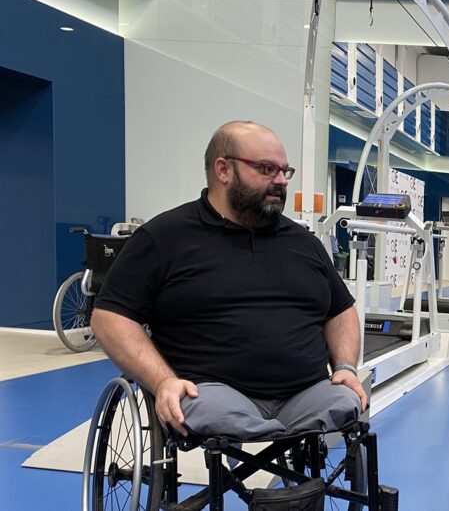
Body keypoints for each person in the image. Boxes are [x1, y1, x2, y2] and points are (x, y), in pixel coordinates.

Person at [91, 120, 365, 440]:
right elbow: (110, 318)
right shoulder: (164, 237)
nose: (280, 181)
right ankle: (279, 444)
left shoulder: (304, 243)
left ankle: (280, 442)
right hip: (213, 394)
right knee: (214, 414)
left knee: (345, 401)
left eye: (284, 171)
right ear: (223, 169)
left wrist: (345, 367)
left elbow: (341, 311)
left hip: (305, 393)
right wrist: (162, 381)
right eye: (267, 169)